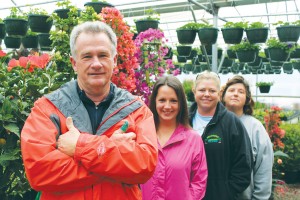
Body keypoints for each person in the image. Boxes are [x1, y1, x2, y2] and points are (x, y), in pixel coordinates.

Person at [21, 21, 158, 200]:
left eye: (103, 55)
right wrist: (113, 153)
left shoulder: (137, 110)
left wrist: (80, 146)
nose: (96, 64)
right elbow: (39, 172)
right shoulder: (47, 109)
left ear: (114, 60)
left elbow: (144, 166)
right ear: (74, 63)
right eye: (87, 56)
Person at [188, 70, 253, 200]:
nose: (207, 94)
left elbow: (244, 164)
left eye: (212, 91)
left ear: (219, 94)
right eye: (202, 90)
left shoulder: (231, 122)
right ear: (194, 92)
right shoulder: (183, 121)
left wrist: (226, 192)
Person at [141, 76, 208, 200]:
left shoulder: (193, 139)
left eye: (173, 101)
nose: (167, 106)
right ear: (154, 101)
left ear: (181, 103)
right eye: (162, 100)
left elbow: (199, 182)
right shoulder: (142, 136)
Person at [220, 75, 274, 200]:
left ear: (247, 99)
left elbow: (264, 167)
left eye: (241, 92)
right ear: (223, 96)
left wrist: (259, 197)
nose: (235, 94)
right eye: (231, 90)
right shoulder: (214, 124)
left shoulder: (255, 127)